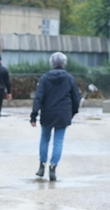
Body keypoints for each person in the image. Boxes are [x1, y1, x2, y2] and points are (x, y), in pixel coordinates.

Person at [29, 52, 81, 182]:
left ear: (51, 63)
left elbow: (39, 97)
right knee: (58, 141)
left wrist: (34, 115)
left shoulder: (45, 78)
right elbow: (76, 98)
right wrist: (73, 112)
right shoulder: (70, 78)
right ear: (64, 63)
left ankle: (42, 165)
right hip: (63, 114)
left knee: (45, 139)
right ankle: (53, 166)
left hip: (47, 113)